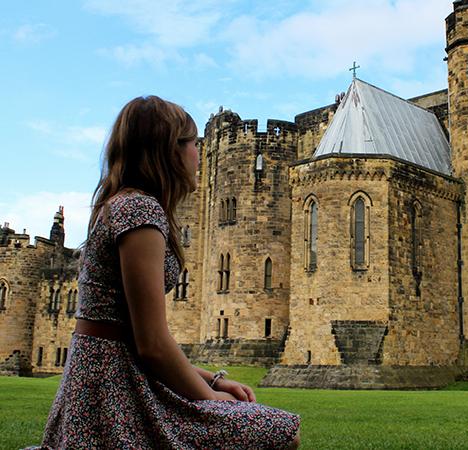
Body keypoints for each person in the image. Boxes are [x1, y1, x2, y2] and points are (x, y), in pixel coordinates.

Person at [31, 96, 300, 449]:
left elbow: (136, 339)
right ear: (168, 150)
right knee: (282, 433)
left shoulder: (123, 204)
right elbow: (152, 344)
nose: (199, 155)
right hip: (113, 391)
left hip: (109, 377)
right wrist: (210, 395)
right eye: (192, 144)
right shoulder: (140, 211)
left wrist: (213, 379)